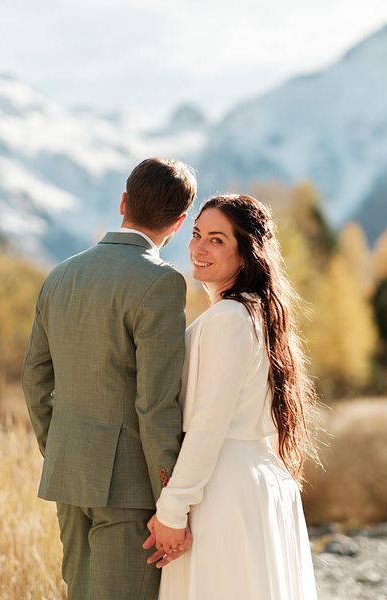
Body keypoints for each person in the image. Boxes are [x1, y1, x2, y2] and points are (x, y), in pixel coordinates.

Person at [22, 157, 197, 600]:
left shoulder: (60, 275)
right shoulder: (160, 282)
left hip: (68, 473)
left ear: (123, 202)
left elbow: (35, 380)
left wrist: (59, 446)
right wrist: (171, 498)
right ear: (179, 222)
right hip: (131, 487)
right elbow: (155, 402)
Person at [144, 194, 319, 599]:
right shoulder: (254, 315)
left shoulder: (228, 319)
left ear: (246, 254)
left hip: (223, 493)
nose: (199, 248)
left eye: (217, 240)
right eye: (196, 234)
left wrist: (173, 509)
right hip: (254, 482)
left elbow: (208, 424)